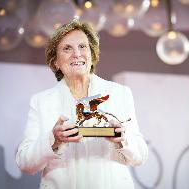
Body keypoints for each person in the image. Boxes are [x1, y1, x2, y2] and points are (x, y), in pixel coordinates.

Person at [16, 19, 148, 189]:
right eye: (67, 48)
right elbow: (25, 163)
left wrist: (122, 140)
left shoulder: (120, 94)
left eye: (82, 46)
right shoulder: (41, 101)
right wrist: (53, 140)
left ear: (92, 55)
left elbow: (141, 156)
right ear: (55, 61)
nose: (77, 54)